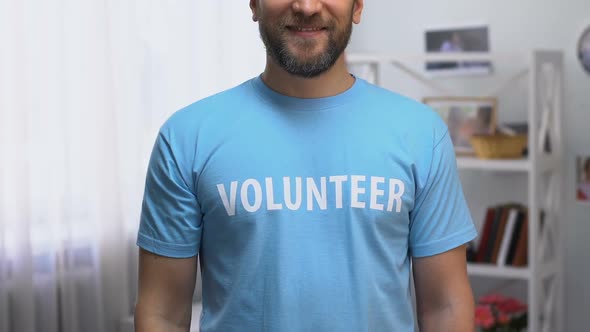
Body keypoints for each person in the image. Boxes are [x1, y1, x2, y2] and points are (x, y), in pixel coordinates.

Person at [134, 1, 477, 331]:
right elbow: (162, 314)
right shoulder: (186, 137)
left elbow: (445, 307)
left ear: (357, 6)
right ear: (254, 4)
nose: (307, 6)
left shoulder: (420, 133)